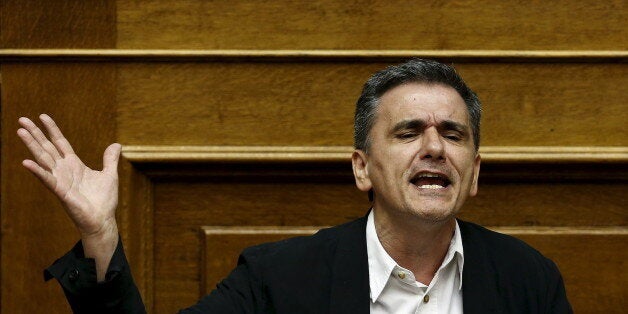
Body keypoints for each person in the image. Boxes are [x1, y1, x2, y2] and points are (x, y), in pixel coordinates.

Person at [18, 59, 572, 313]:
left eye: (453, 134)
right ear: (361, 169)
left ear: (473, 172)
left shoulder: (529, 280)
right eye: (408, 132)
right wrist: (102, 237)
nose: (434, 147)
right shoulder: (277, 281)